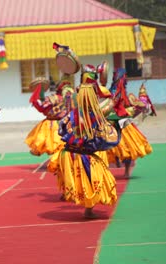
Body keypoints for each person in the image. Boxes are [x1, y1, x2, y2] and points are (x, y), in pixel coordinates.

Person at [47, 64, 120, 219]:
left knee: (83, 180)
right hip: (84, 156)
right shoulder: (95, 117)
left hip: (68, 154)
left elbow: (61, 130)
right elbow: (105, 138)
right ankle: (88, 210)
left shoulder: (72, 115)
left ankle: (81, 203)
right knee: (97, 180)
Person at [106, 69, 153, 178]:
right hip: (118, 120)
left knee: (122, 146)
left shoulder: (117, 90)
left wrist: (138, 105)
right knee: (124, 146)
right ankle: (122, 167)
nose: (126, 79)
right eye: (125, 77)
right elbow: (114, 104)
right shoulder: (117, 91)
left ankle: (120, 164)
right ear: (121, 78)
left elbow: (124, 105)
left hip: (118, 120)